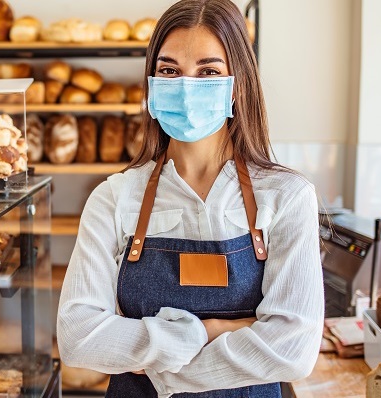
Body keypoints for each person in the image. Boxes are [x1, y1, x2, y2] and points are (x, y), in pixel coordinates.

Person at [56, 0, 324, 396]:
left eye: (208, 72)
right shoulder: (114, 198)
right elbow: (78, 338)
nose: (185, 86)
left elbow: (293, 350)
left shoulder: (286, 196)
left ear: (238, 85)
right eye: (169, 71)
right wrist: (205, 332)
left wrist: (160, 369)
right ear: (151, 83)